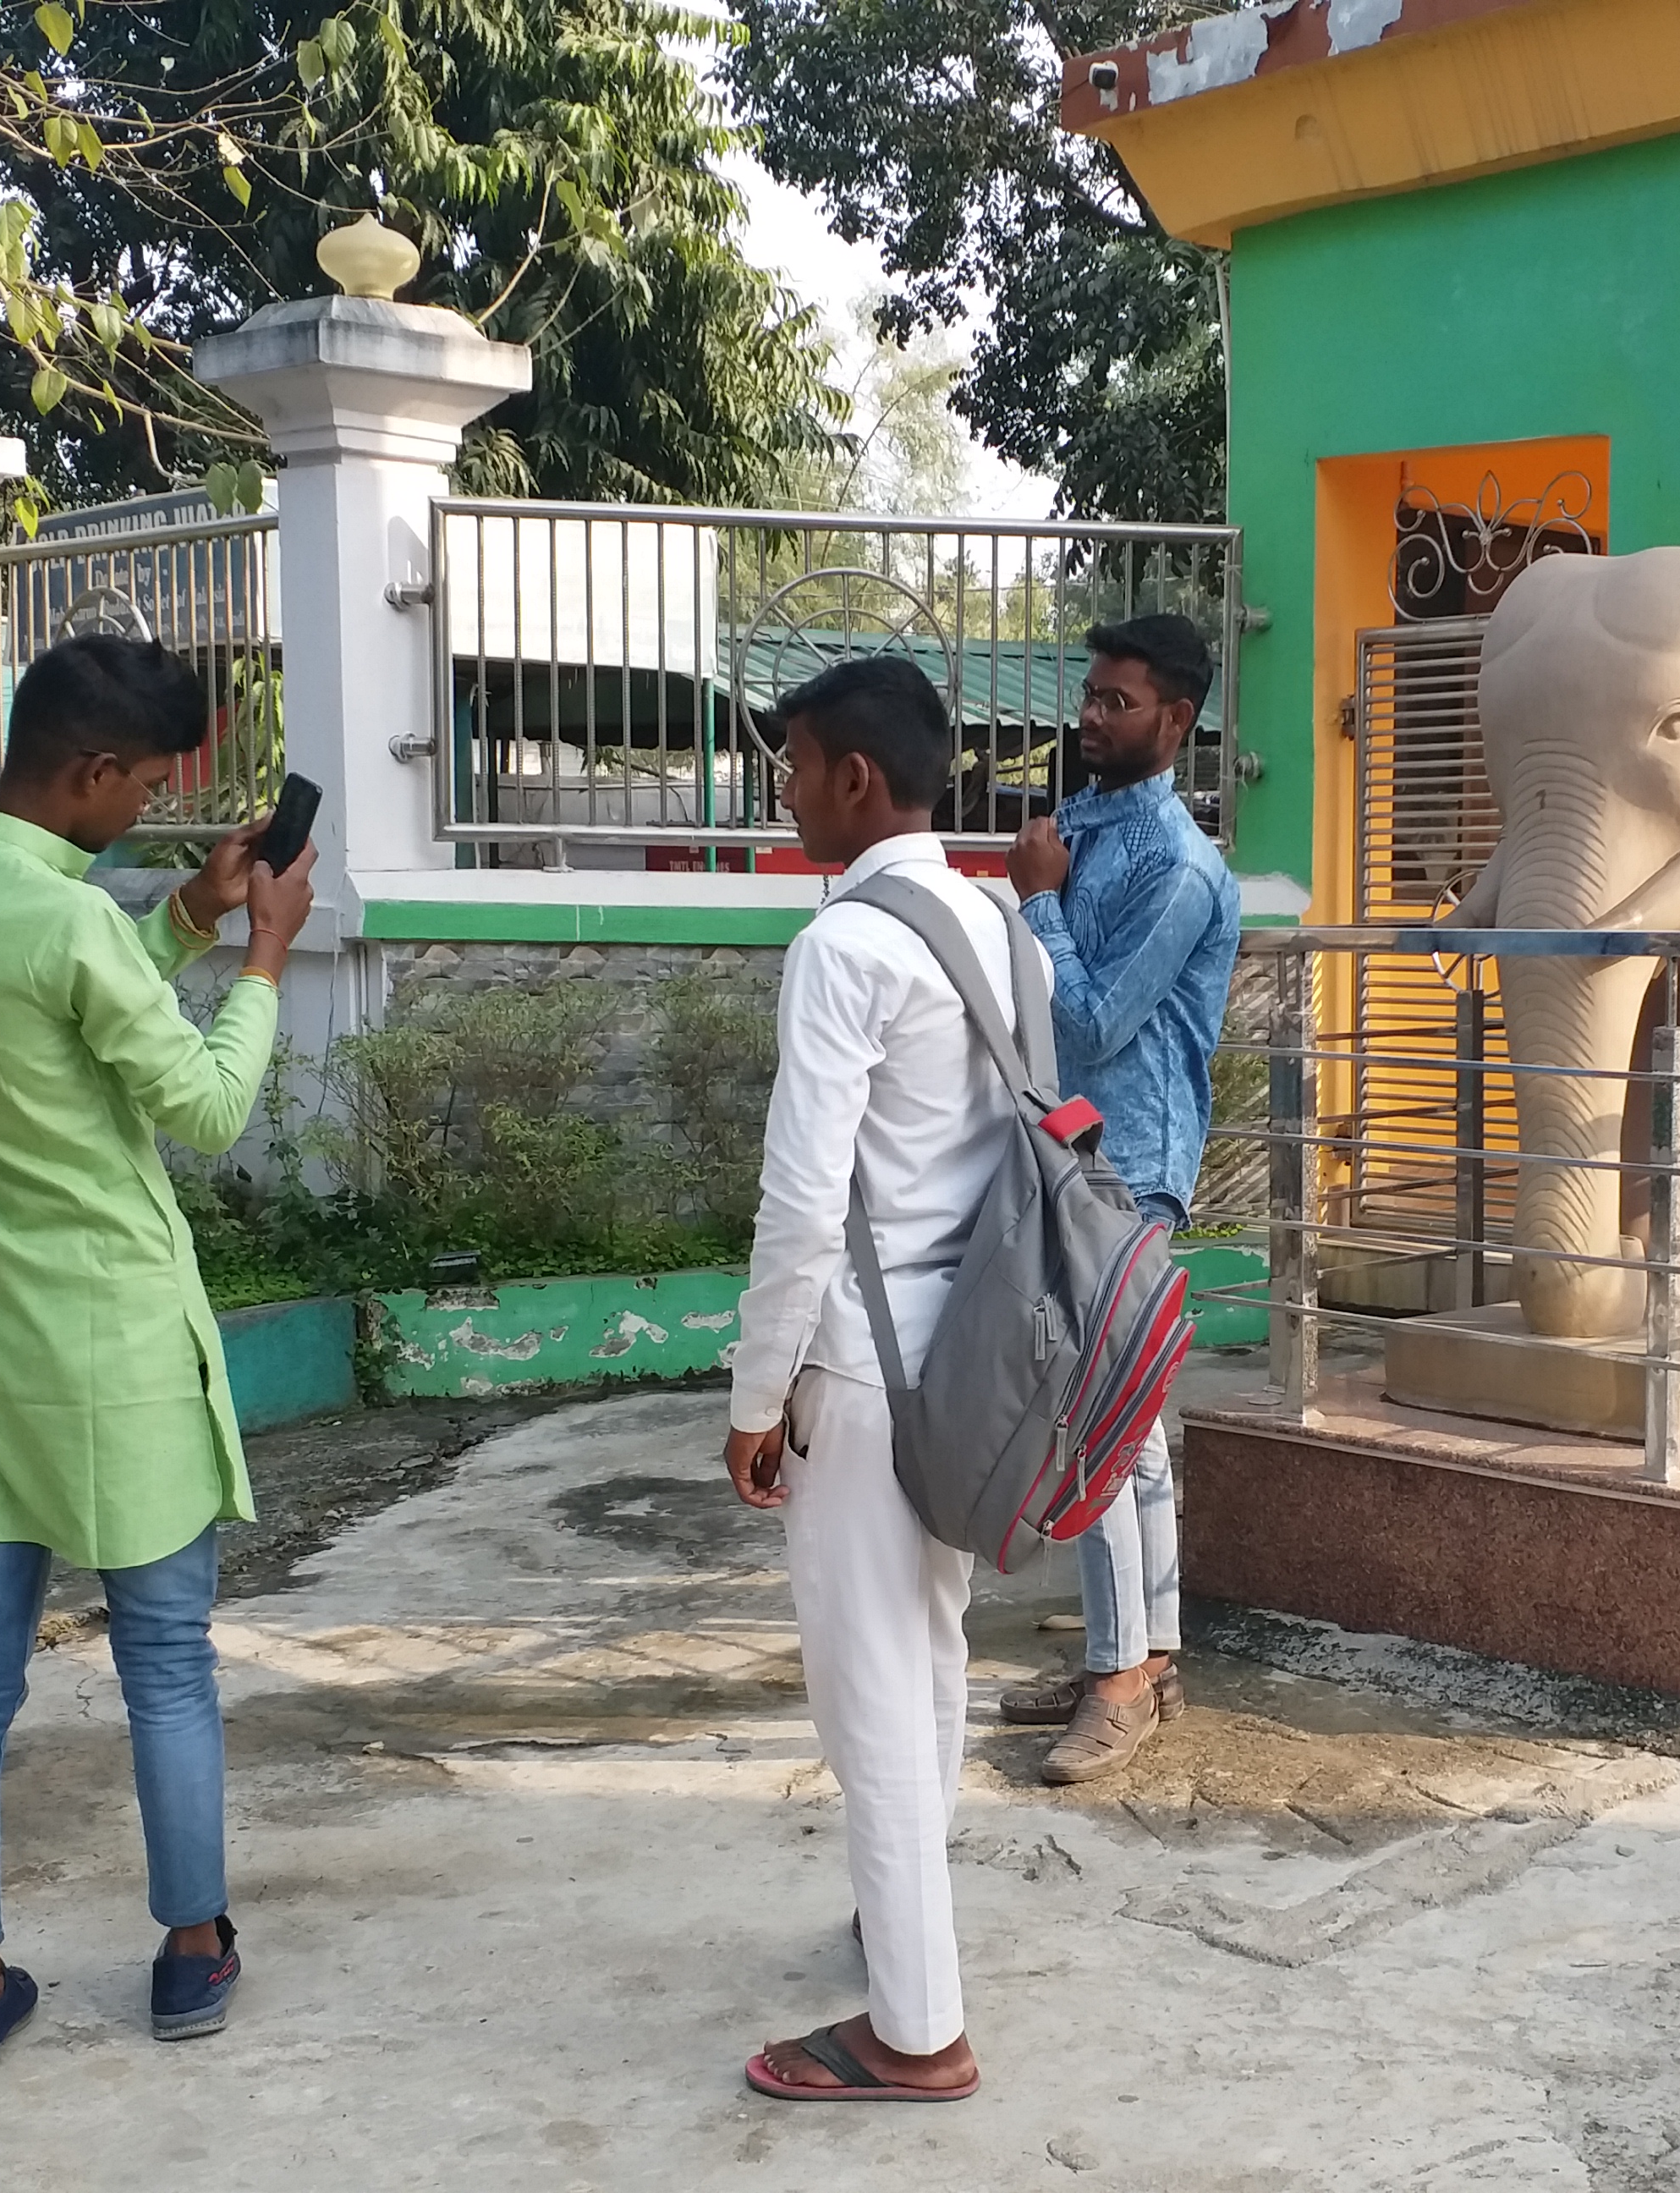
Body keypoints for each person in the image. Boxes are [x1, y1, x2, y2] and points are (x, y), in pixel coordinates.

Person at [0, 634, 317, 2086]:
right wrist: (260, 958)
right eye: (145, 787)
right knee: (171, 1669)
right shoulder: (64, 926)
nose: (151, 810)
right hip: (119, 1344)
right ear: (88, 771)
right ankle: (193, 1953)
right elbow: (197, 1105)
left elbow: (53, 1016)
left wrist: (185, 916)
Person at [721, 654, 1019, 2103]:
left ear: (855, 777)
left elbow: (800, 1203)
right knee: (934, 1650)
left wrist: (751, 1397)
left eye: (792, 761)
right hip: (977, 1352)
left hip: (859, 1361)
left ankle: (917, 2032)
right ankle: (910, 1928)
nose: (783, 786)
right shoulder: (993, 919)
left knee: (870, 1696)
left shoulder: (844, 946)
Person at [998, 611, 1238, 1785]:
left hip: (1132, 1162)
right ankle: (1138, 1654)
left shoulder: (1181, 869)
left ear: (1177, 719)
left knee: (1102, 1417)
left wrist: (1038, 899)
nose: (1091, 718)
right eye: (1089, 697)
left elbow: (1096, 1017)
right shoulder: (1081, 821)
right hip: (1064, 1146)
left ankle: (1119, 1677)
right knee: (1114, 1420)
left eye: (1117, 704)